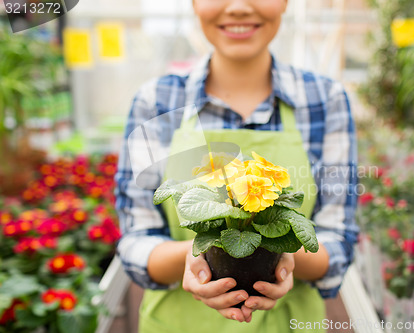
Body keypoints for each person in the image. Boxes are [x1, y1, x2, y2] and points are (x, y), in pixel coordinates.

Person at [115, 0, 359, 332]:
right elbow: (136, 241)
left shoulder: (325, 100)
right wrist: (197, 258)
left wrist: (284, 259)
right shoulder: (156, 101)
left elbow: (338, 240)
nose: (240, 7)